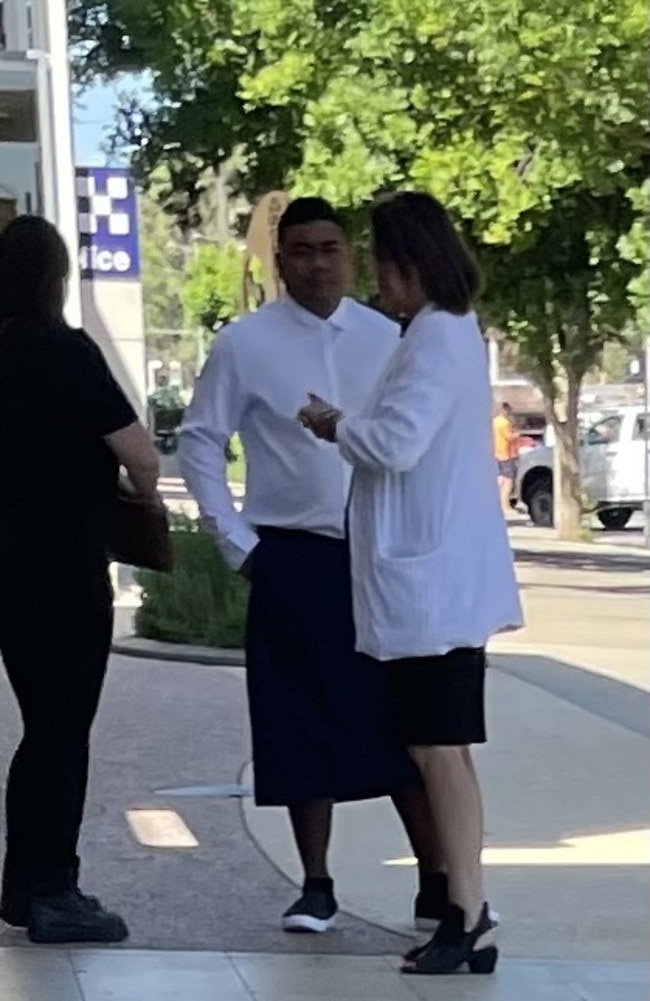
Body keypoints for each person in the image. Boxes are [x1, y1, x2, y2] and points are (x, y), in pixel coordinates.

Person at [180, 197, 446, 934]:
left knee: (403, 718)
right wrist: (239, 544)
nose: (317, 262)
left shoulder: (391, 336)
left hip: (382, 554)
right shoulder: (245, 344)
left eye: (330, 248)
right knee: (297, 720)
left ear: (351, 254)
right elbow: (202, 442)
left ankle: (436, 877)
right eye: (300, 250)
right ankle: (317, 882)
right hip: (291, 553)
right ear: (279, 258)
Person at [298, 192, 523, 974]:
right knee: (440, 751)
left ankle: (469, 908)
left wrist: (335, 426)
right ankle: (469, 909)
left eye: (382, 264)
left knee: (440, 753)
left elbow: (395, 441)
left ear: (410, 263)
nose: (377, 282)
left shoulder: (436, 338)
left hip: (434, 591)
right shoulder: (439, 335)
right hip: (435, 585)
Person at [0, 216, 160, 944]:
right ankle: (51, 887)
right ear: (57, 278)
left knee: (42, 731)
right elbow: (139, 451)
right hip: (61, 570)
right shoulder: (65, 351)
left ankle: (20, 883)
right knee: (58, 731)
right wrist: (142, 496)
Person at [493, 402, 519, 516]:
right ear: (504, 410)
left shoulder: (494, 422)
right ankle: (505, 506)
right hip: (506, 454)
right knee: (508, 481)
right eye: (508, 410)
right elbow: (509, 437)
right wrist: (517, 434)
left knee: (500, 480)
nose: (509, 413)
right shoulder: (505, 423)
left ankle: (498, 504)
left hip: (496, 453)